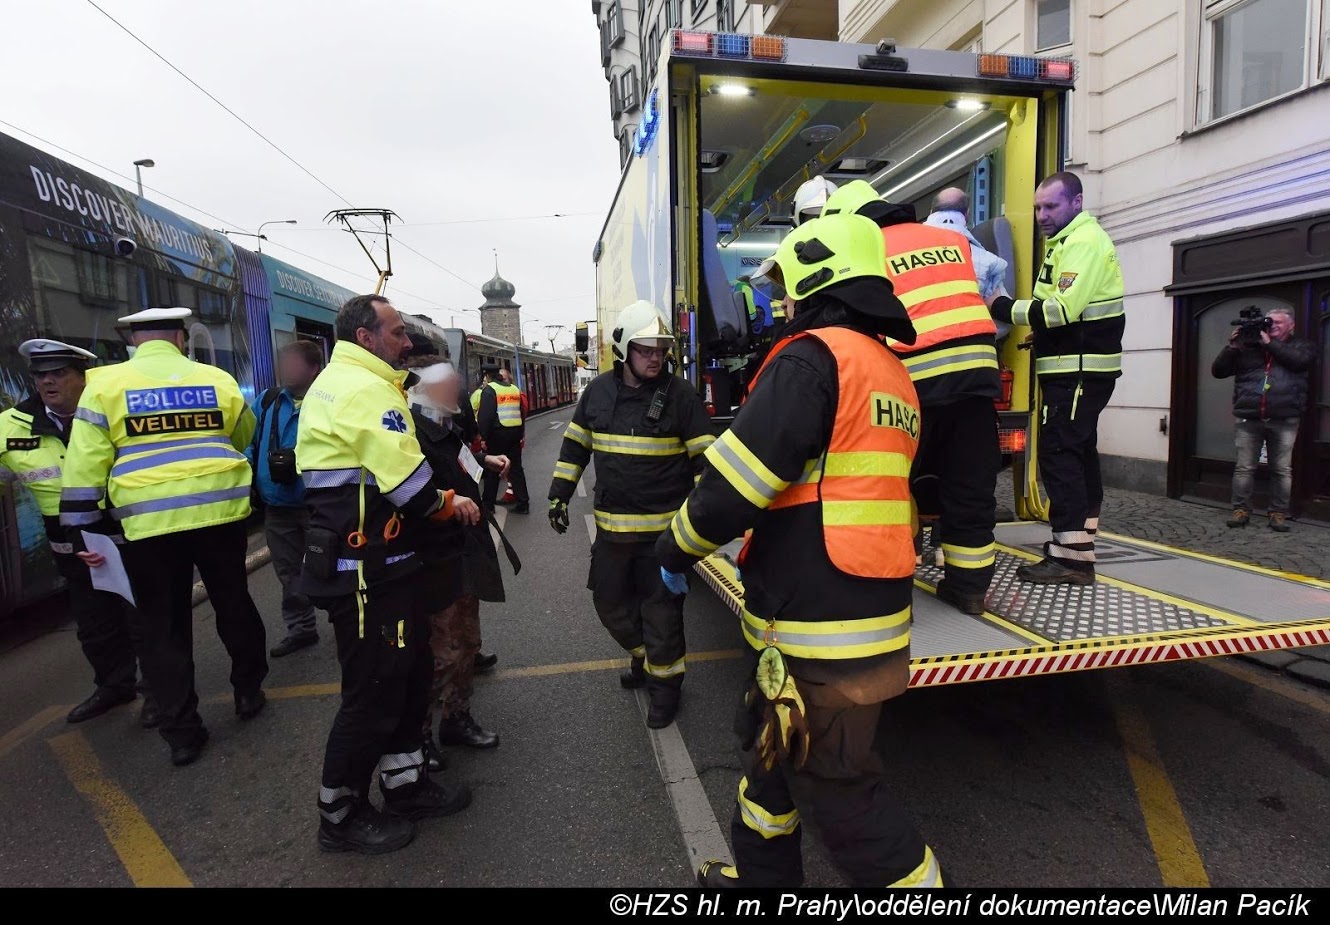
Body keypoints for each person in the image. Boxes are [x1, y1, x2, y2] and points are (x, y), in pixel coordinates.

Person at [656, 212, 943, 889]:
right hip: (860, 614)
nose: (782, 302)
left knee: (841, 793)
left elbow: (734, 486)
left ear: (819, 278)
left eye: (787, 287)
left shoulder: (811, 359)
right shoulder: (891, 372)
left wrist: (673, 549)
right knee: (769, 759)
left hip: (818, 628)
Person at [298, 294, 479, 855]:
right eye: (397, 332)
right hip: (363, 571)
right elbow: (412, 490)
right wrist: (451, 502)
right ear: (365, 337)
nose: (406, 342)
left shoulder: (355, 382)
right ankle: (341, 814)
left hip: (385, 564)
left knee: (407, 674)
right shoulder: (364, 389)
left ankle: (406, 786)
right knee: (373, 691)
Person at [59, 308, 268, 767]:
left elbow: (85, 462)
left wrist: (81, 531)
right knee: (234, 604)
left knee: (162, 625)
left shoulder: (105, 385)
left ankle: (182, 733)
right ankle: (248, 691)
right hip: (219, 514)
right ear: (180, 338)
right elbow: (242, 436)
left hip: (148, 525)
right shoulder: (217, 379)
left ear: (135, 342)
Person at [822, 180, 1001, 616]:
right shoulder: (950, 241)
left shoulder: (867, 250)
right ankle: (969, 590)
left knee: (891, 488)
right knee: (969, 487)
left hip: (913, 380)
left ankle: (894, 588)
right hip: (977, 375)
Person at [547, 300, 714, 728]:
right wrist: (559, 495)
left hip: (664, 539)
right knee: (610, 604)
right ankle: (643, 656)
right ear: (624, 349)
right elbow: (575, 448)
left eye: (661, 349)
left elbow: (705, 463)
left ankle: (665, 690)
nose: (656, 357)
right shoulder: (597, 394)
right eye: (646, 349)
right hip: (613, 536)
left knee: (662, 616)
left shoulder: (682, 397)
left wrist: (700, 523)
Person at [0, 340, 154, 726]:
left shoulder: (112, 411)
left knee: (143, 617)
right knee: (93, 624)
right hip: (68, 540)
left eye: (59, 373)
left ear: (83, 378)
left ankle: (157, 691)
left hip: (122, 528)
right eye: (40, 375)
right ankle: (114, 686)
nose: (47, 382)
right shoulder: (10, 425)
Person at [987, 171, 1125, 585]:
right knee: (1078, 453)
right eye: (1037, 207)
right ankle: (1080, 542)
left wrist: (1001, 306)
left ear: (1077, 202)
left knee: (1061, 454)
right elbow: (1072, 312)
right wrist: (1044, 336)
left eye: (1051, 206)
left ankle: (1071, 558)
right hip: (1076, 369)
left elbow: (1060, 310)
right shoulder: (1068, 241)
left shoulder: (1082, 243)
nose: (1041, 215)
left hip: (1077, 372)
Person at [404, 355, 516, 770]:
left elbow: (458, 462)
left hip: (463, 548)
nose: (458, 390)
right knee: (441, 652)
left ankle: (456, 718)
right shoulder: (410, 433)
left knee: (467, 641)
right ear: (422, 389)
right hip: (437, 557)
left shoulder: (443, 426)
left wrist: (484, 462)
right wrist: (449, 503)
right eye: (447, 384)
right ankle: (418, 736)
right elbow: (410, 491)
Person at [248, 339, 325, 657]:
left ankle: (347, 624)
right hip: (278, 505)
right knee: (289, 572)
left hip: (320, 504)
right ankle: (301, 629)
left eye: (295, 364)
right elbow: (248, 441)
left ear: (314, 369)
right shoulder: (267, 402)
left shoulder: (328, 401)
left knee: (334, 567)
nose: (287, 370)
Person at [1211, 309, 1317, 532]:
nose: (1273, 325)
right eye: (1270, 322)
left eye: (1279, 322)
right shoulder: (1249, 347)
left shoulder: (1302, 346)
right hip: (1249, 417)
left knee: (1281, 469)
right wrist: (1232, 347)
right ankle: (1240, 510)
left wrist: (1269, 343)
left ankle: (1278, 513)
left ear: (1291, 325)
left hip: (1284, 418)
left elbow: (1298, 362)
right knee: (1244, 468)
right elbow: (1218, 371)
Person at [924, 187, 1011, 344]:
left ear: (931, 212)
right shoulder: (987, 261)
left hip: (919, 351)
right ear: (967, 214)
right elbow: (1002, 323)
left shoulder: (904, 252)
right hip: (974, 351)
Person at [479, 366, 529, 515]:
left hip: (497, 434)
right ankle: (523, 503)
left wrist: (483, 437)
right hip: (515, 433)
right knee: (516, 469)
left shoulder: (490, 390)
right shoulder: (514, 389)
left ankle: (488, 505)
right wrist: (520, 434)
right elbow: (521, 413)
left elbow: (485, 417)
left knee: (493, 469)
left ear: (488, 376)